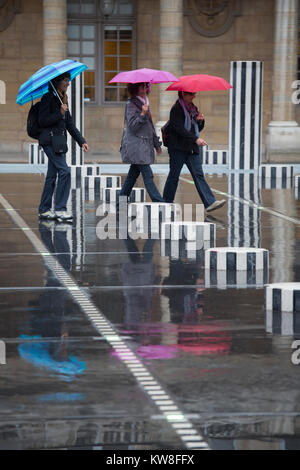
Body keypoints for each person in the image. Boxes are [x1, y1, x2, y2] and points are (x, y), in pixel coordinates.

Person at [38, 71, 89, 221]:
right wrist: (59, 113)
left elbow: (69, 124)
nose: (68, 83)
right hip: (49, 141)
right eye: (65, 80)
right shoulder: (48, 98)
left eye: (69, 80)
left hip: (59, 143)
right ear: (57, 83)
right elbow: (42, 121)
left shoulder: (63, 100)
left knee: (52, 176)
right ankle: (60, 210)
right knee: (65, 171)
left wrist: (82, 141)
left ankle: (44, 209)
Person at [163, 91, 226, 212]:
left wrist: (201, 121)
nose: (193, 96)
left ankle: (210, 202)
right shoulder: (176, 109)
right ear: (183, 94)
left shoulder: (193, 108)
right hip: (178, 148)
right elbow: (179, 129)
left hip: (191, 148)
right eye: (191, 94)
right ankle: (166, 202)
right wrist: (196, 139)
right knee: (174, 176)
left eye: (194, 94)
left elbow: (197, 128)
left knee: (198, 175)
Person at [118, 82, 165, 206]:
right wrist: (143, 114)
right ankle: (159, 202)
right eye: (141, 86)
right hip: (136, 146)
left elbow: (150, 127)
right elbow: (133, 125)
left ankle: (120, 203)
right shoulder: (131, 104)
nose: (144, 89)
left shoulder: (145, 103)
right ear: (135, 88)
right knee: (147, 174)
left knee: (132, 176)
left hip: (142, 145)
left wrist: (156, 144)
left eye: (146, 86)